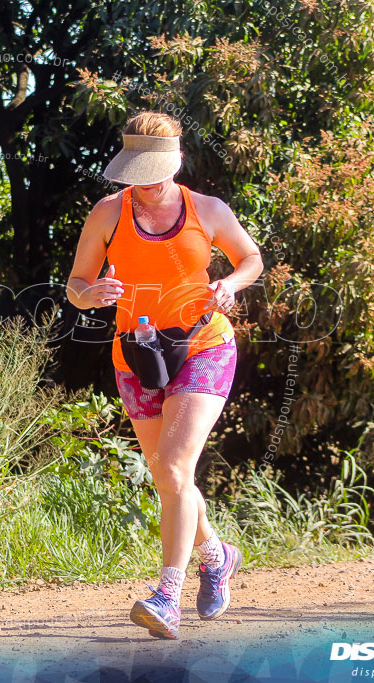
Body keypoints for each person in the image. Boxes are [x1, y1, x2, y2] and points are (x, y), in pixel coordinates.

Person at [66, 111, 263, 640]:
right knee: (168, 477)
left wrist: (232, 284)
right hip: (138, 351)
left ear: (175, 163)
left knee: (175, 467)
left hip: (204, 344)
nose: (147, 182)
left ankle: (167, 593)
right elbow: (76, 284)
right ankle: (218, 556)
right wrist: (92, 295)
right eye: (138, 171)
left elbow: (252, 259)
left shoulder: (209, 210)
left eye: (156, 170)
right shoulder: (109, 213)